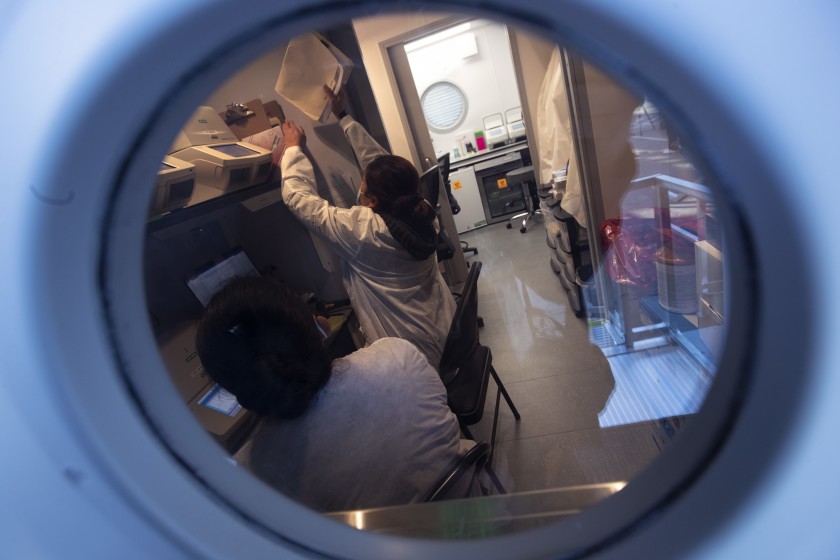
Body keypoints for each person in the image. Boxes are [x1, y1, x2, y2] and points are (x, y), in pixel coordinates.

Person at [195, 275, 466, 513]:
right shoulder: (399, 354)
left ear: (233, 390)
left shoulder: (250, 479)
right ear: (317, 326)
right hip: (473, 517)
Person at [278, 86, 456, 369]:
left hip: (413, 358)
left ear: (372, 201)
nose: (358, 197)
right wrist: (343, 116)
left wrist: (292, 150)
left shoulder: (365, 233)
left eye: (361, 192)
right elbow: (381, 164)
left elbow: (298, 199)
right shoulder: (422, 213)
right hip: (448, 333)